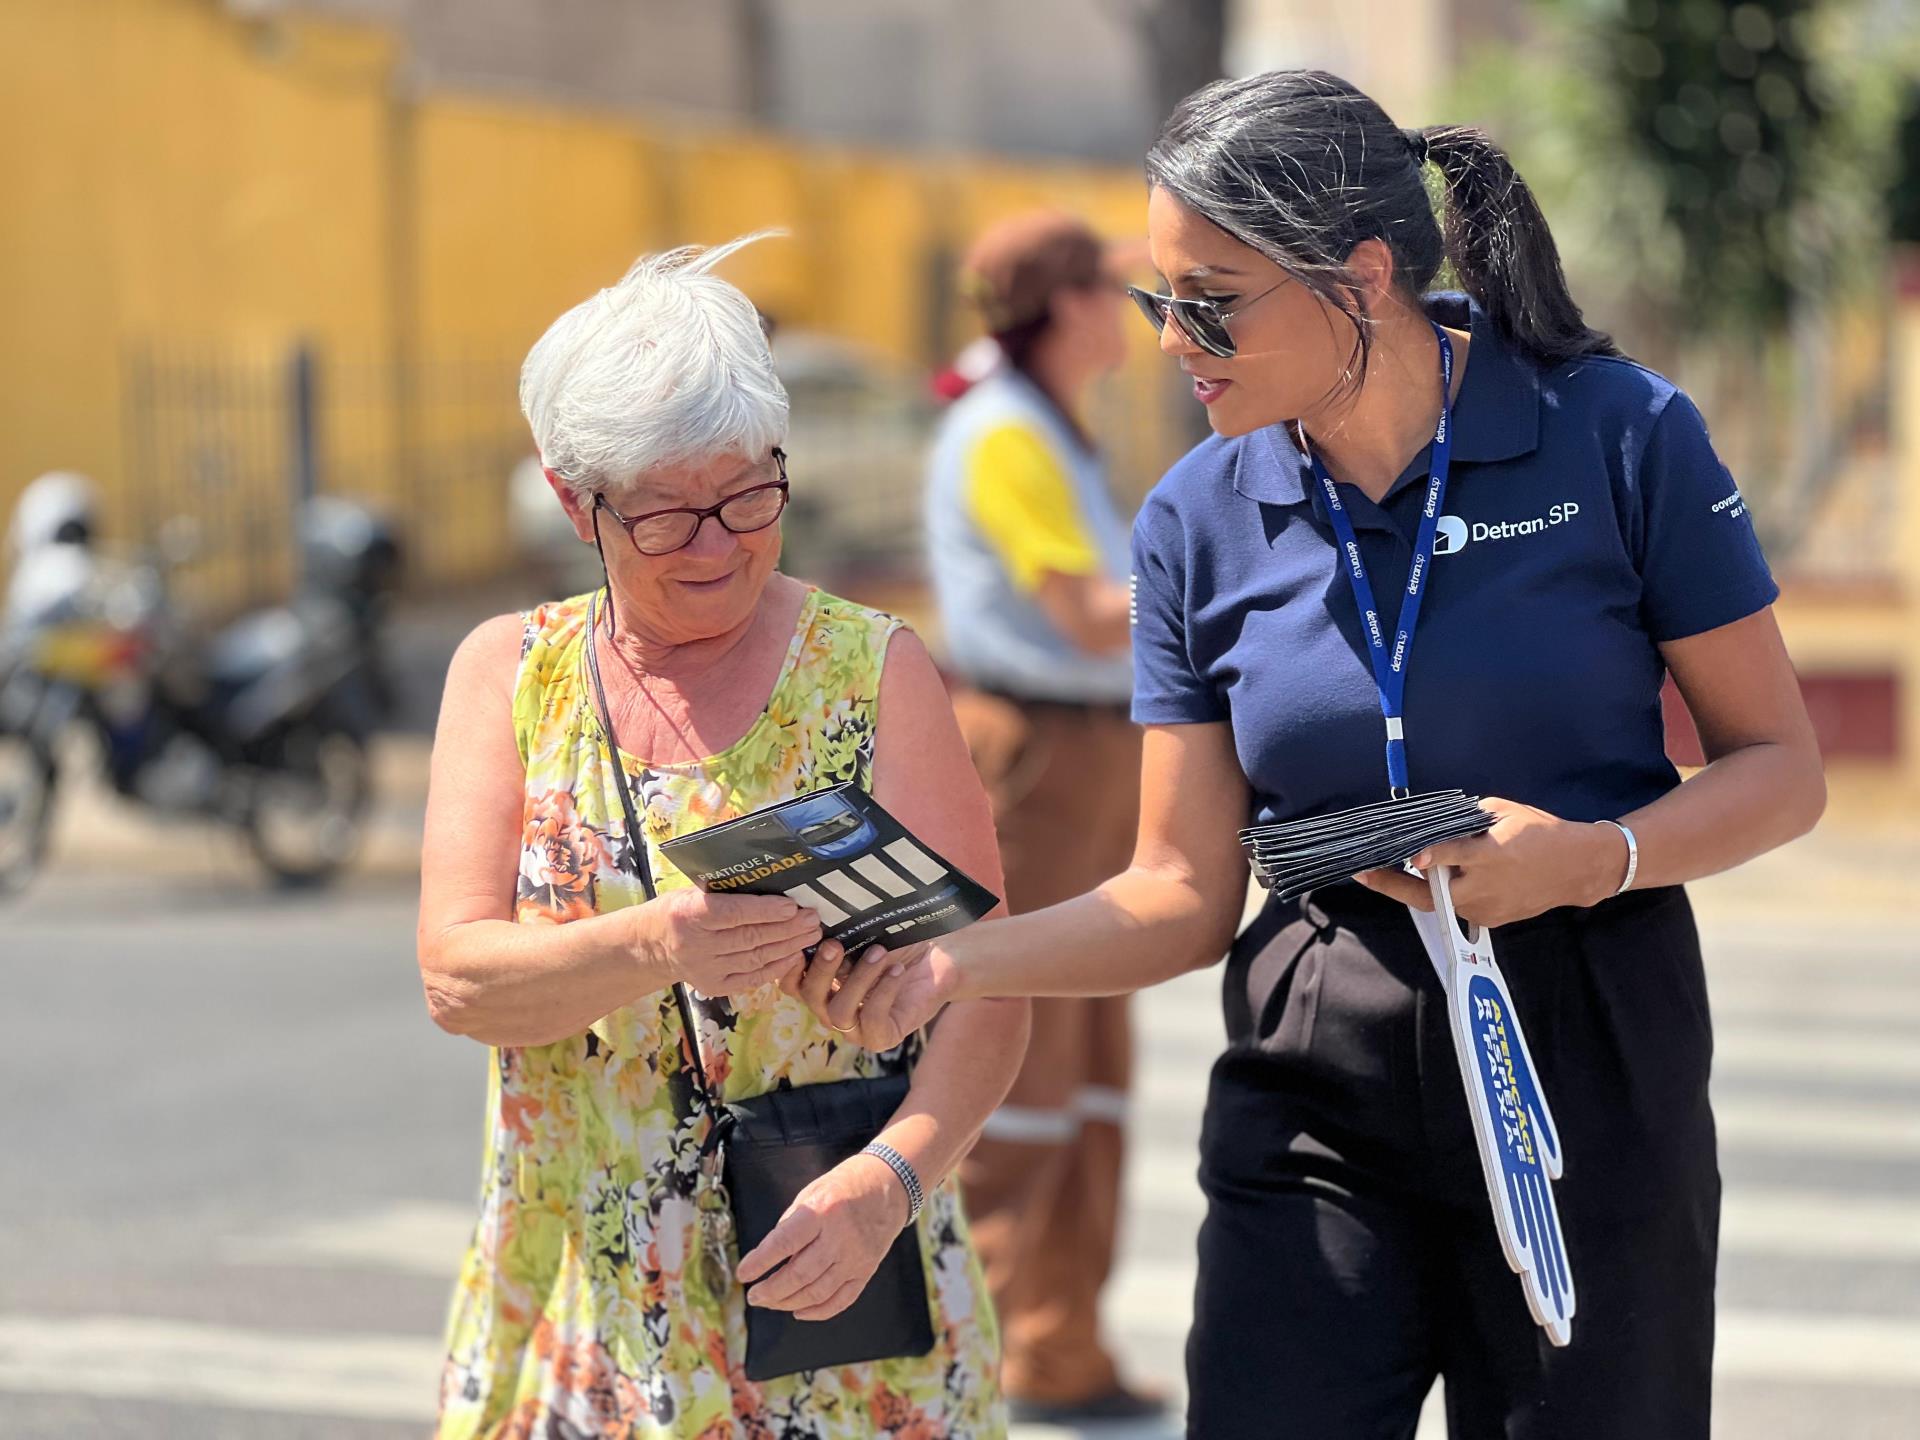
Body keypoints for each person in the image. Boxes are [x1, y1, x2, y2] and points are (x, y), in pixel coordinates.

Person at [789, 71, 1826, 1439]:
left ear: (1362, 276)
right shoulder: (1192, 518)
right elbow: (1178, 886)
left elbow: (1782, 771)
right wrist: (944, 964)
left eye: (1208, 297)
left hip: (1588, 1051)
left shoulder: (1621, 435)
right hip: (1315, 1071)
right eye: (1162, 298)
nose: (1171, 340)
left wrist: (1593, 859)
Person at [417, 237, 1027, 1439]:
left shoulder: (872, 673)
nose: (721, 543)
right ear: (572, 500)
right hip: (581, 1296)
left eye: (750, 493)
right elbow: (458, 979)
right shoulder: (509, 674)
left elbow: (991, 991)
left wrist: (888, 1184)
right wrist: (658, 945)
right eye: (669, 514)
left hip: (837, 1282)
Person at [922, 212, 1158, 1424]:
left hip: (1092, 755)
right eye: (1113, 290)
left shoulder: (1047, 427)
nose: (1131, 310)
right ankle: (1010, 1344)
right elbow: (1080, 612)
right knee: (1025, 1056)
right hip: (1042, 757)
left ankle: (1060, 1342)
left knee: (1090, 1057)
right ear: (1066, 306)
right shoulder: (1008, 435)